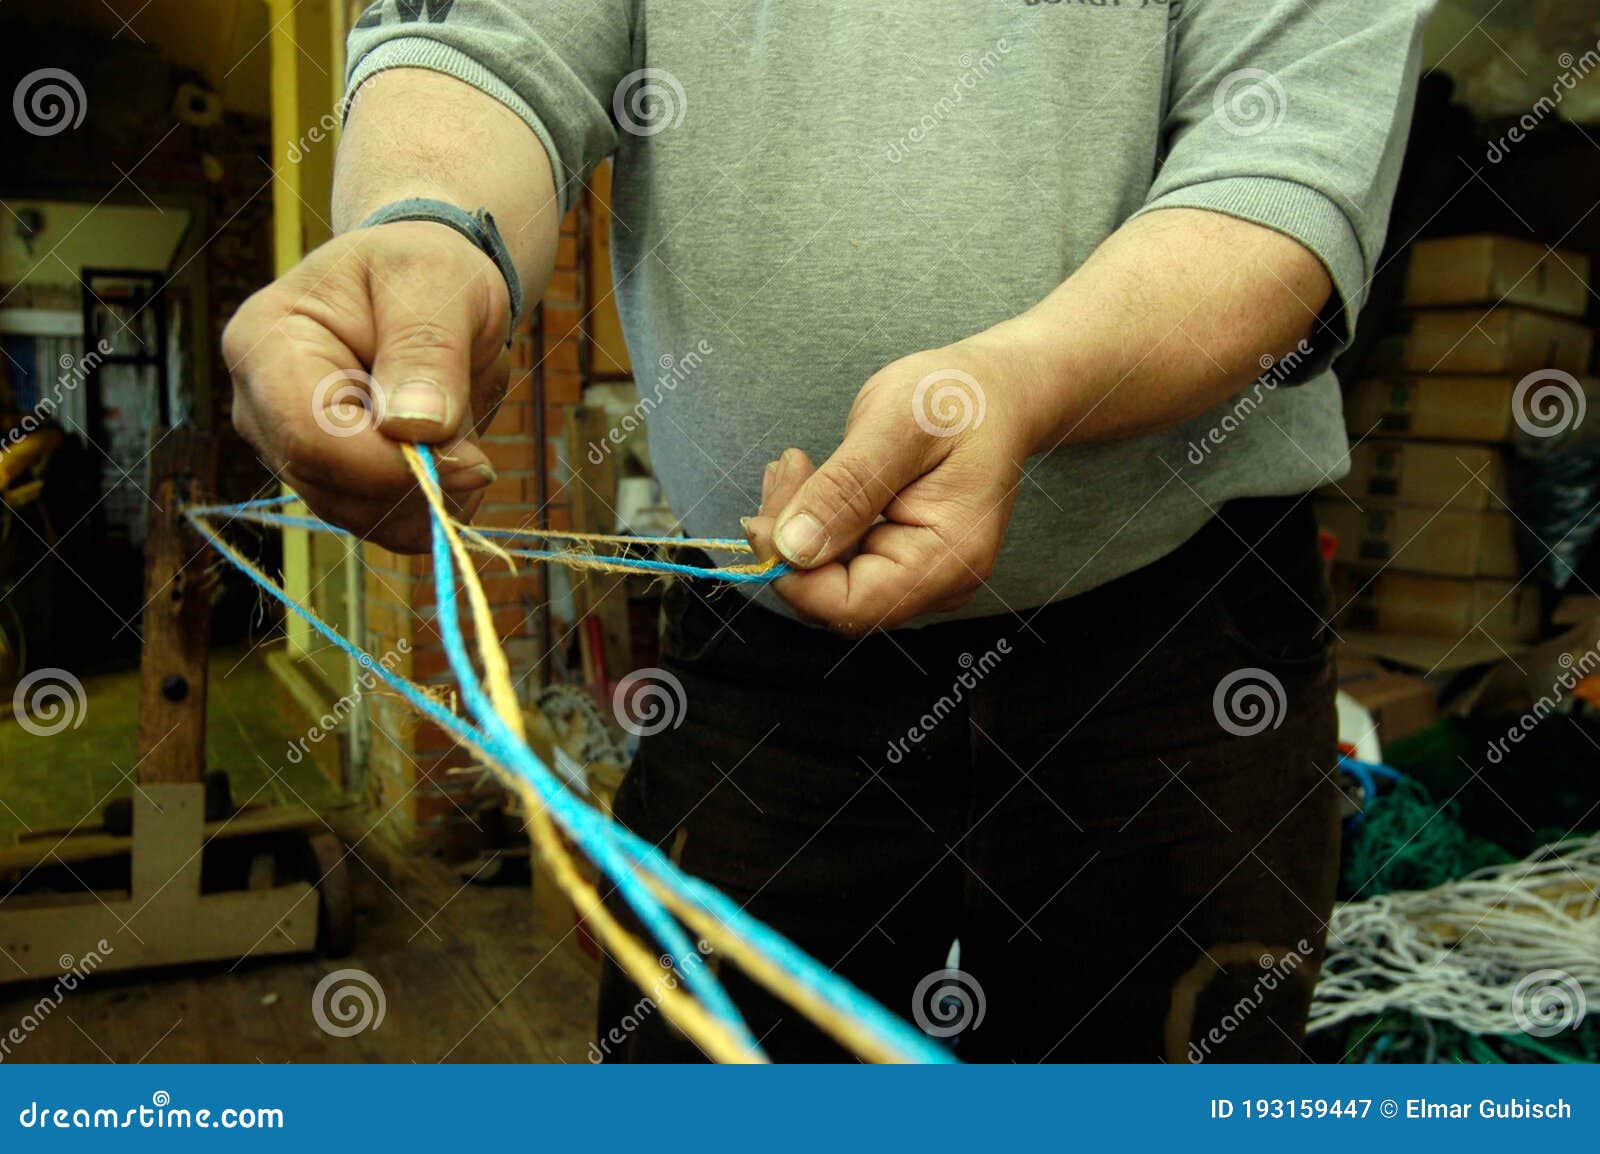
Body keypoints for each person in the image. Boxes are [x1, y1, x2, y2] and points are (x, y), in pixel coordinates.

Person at [225, 0, 1434, 1061]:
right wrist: (433, 229)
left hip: (1180, 647)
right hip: (763, 663)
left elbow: (1280, 172)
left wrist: (1015, 384)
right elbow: (490, 43)